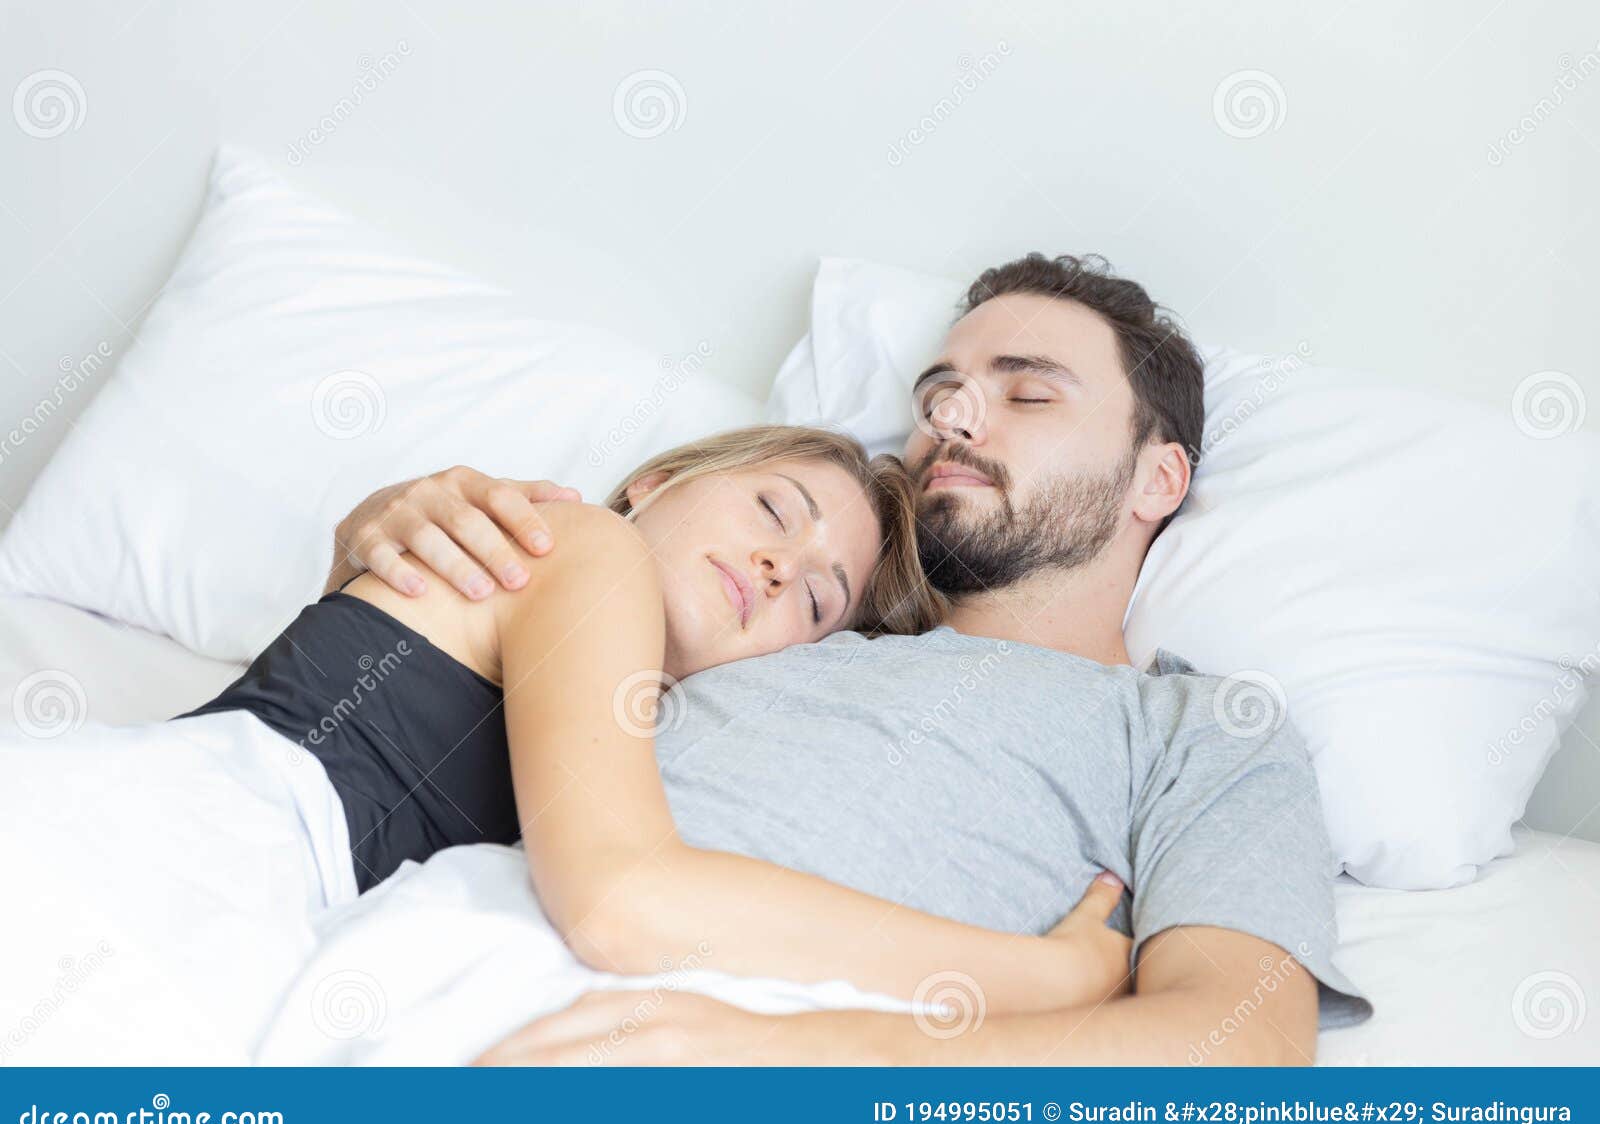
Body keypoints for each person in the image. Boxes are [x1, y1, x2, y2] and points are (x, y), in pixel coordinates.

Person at [335, 253, 1372, 1065]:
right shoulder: (778, 614)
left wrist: (806, 1058)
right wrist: (378, 541)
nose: (951, 418)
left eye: (1027, 394)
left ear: (1158, 476)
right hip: (414, 973)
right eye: (939, 393)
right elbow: (420, 727)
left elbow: (1237, 1047)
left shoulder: (1198, 730)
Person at [0, 424, 1140, 1061]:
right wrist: (1042, 974)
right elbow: (624, 900)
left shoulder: (640, 723)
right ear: (657, 480)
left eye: (819, 596)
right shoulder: (584, 547)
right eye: (772, 511)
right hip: (143, 851)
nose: (779, 568)